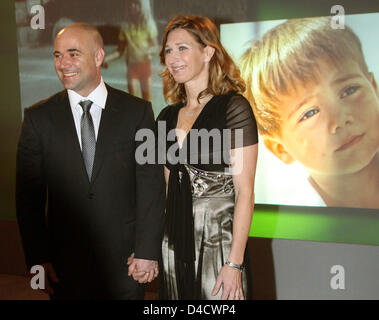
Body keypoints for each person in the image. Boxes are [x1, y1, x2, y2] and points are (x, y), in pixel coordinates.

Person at [16, 22, 165, 299]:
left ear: (98, 57)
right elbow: (29, 199)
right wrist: (38, 259)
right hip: (64, 269)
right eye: (57, 55)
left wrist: (146, 250)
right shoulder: (38, 119)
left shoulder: (138, 113)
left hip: (127, 265)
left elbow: (151, 185)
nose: (63, 63)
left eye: (73, 54)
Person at [157, 15, 259, 300]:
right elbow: (166, 191)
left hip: (219, 243)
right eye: (168, 50)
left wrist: (234, 263)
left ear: (208, 51)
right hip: (173, 245)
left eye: (182, 48)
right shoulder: (165, 116)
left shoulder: (233, 108)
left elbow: (245, 192)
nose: (173, 57)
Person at [239, 17, 379, 209]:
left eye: (349, 90)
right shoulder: (292, 227)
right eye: (310, 113)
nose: (340, 119)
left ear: (374, 89)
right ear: (280, 149)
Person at [103, 0, 158, 101]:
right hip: (132, 68)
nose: (133, 6)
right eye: (131, 4)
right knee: (134, 102)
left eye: (136, 4)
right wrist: (107, 59)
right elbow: (120, 51)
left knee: (147, 103)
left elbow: (155, 48)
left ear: (143, 7)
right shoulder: (126, 26)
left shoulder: (149, 24)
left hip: (145, 67)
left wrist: (145, 52)